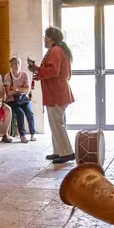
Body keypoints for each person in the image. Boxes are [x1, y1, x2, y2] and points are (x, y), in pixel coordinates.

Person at [30, 26, 75, 164]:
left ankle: (67, 153)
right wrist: (38, 71)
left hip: (56, 92)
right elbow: (53, 70)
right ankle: (59, 151)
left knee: (57, 124)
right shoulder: (59, 49)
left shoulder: (55, 50)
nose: (44, 39)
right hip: (58, 91)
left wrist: (38, 71)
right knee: (55, 123)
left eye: (45, 37)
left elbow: (54, 71)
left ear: (51, 38)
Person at [5, 57, 37, 144]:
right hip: (12, 101)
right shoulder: (8, 76)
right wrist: (21, 88)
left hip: (24, 99)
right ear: (11, 65)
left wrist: (15, 88)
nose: (17, 65)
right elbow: (8, 93)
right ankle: (22, 135)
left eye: (18, 63)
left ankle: (32, 134)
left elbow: (27, 90)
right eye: (14, 63)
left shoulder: (25, 74)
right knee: (20, 113)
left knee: (29, 112)